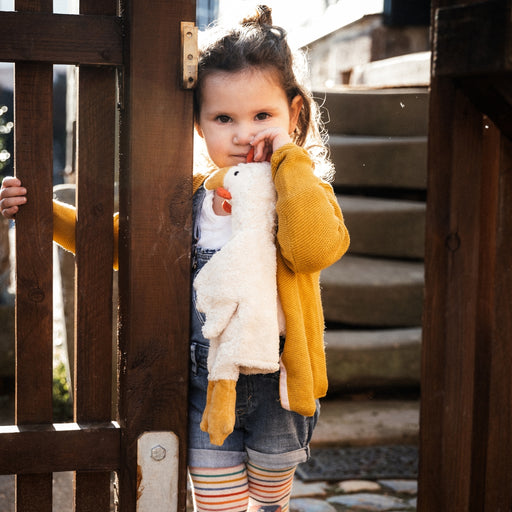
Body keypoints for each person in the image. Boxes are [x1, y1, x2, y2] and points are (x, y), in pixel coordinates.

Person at [1, 6, 349, 511]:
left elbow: (313, 250)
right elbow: (117, 245)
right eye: (223, 118)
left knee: (271, 502)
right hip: (204, 382)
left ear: (293, 114)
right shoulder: (188, 199)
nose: (243, 133)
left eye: (263, 116)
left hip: (279, 383)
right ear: (199, 123)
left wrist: (288, 163)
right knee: (217, 504)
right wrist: (40, 213)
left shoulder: (305, 191)